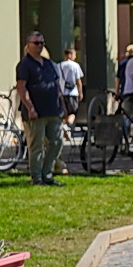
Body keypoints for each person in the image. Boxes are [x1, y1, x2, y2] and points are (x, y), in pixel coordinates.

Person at [15, 31, 64, 186]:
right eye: (36, 43)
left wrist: (62, 105)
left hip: (53, 111)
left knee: (57, 142)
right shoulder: (24, 64)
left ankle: (47, 174)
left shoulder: (49, 64)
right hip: (35, 113)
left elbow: (56, 86)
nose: (39, 46)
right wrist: (30, 108)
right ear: (28, 45)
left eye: (42, 43)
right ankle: (36, 178)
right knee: (36, 145)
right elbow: (21, 87)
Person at [58, 47, 84, 129]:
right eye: (74, 54)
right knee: (73, 113)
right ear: (70, 55)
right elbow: (78, 80)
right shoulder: (75, 65)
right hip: (72, 92)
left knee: (64, 113)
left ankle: (63, 129)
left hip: (61, 92)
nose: (75, 57)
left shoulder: (59, 65)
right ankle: (67, 126)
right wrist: (80, 92)